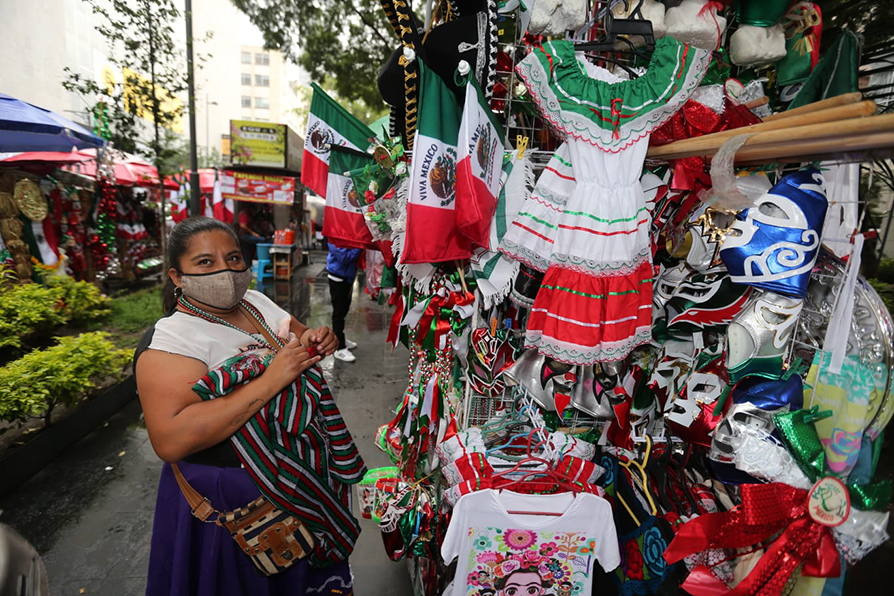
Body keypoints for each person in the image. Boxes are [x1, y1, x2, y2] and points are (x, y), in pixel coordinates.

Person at [134, 217, 365, 595]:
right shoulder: (171, 340)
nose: (225, 270)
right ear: (177, 277)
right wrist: (274, 378)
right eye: (205, 262)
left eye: (234, 258)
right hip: (238, 506)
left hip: (297, 480)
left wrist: (322, 338)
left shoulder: (256, 302)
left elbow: (302, 335)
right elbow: (171, 440)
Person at [326, 243, 362, 363]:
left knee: (344, 308)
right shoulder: (334, 236)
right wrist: (359, 247)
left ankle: (341, 338)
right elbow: (344, 258)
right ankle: (339, 348)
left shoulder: (347, 234)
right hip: (338, 277)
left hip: (348, 277)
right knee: (338, 312)